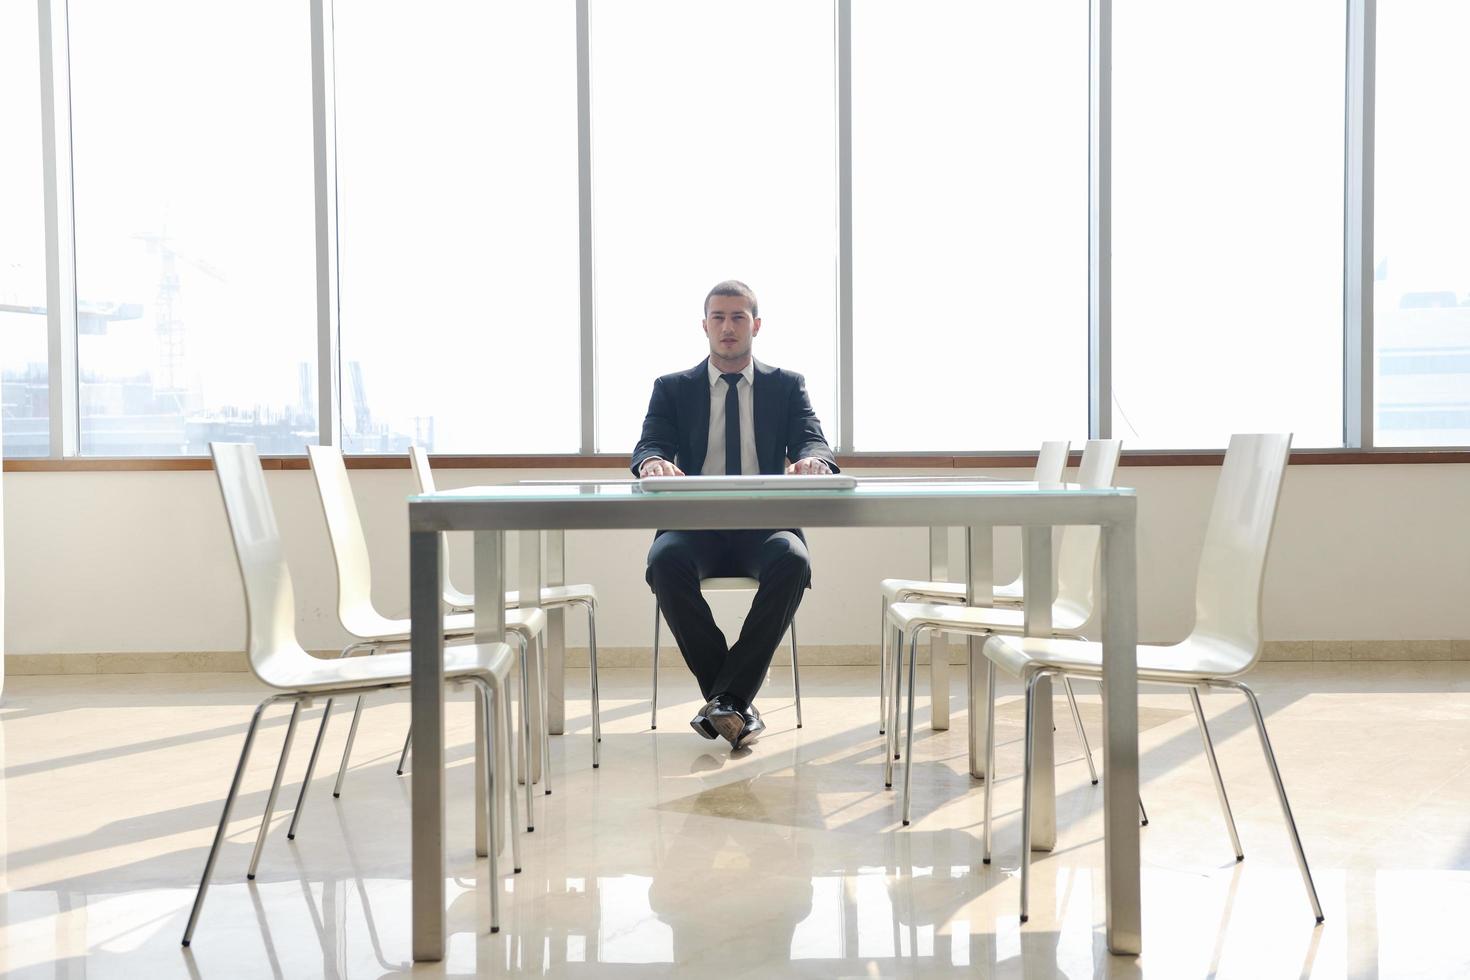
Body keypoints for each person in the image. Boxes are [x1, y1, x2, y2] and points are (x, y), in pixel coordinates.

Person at [632, 280, 838, 750]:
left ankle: (726, 700)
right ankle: (733, 701)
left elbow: (812, 438)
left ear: (756, 325)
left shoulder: (786, 385)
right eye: (719, 318)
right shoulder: (671, 388)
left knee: (794, 558)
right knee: (663, 560)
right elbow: (651, 443)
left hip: (764, 527)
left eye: (738, 317)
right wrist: (651, 461)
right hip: (694, 526)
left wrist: (814, 461)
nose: (728, 327)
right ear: (704, 326)